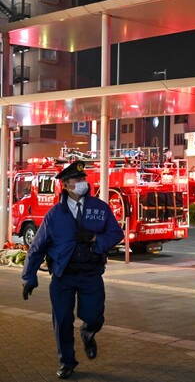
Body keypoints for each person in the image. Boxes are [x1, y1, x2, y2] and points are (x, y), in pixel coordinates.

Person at [21, 161, 124, 379]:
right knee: (62, 321)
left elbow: (117, 234)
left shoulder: (100, 208)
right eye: (77, 180)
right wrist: (28, 277)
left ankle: (88, 332)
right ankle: (67, 361)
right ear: (66, 185)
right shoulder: (54, 215)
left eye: (83, 179)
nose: (82, 183)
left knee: (95, 316)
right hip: (63, 275)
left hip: (90, 274)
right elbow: (37, 247)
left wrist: (96, 238)